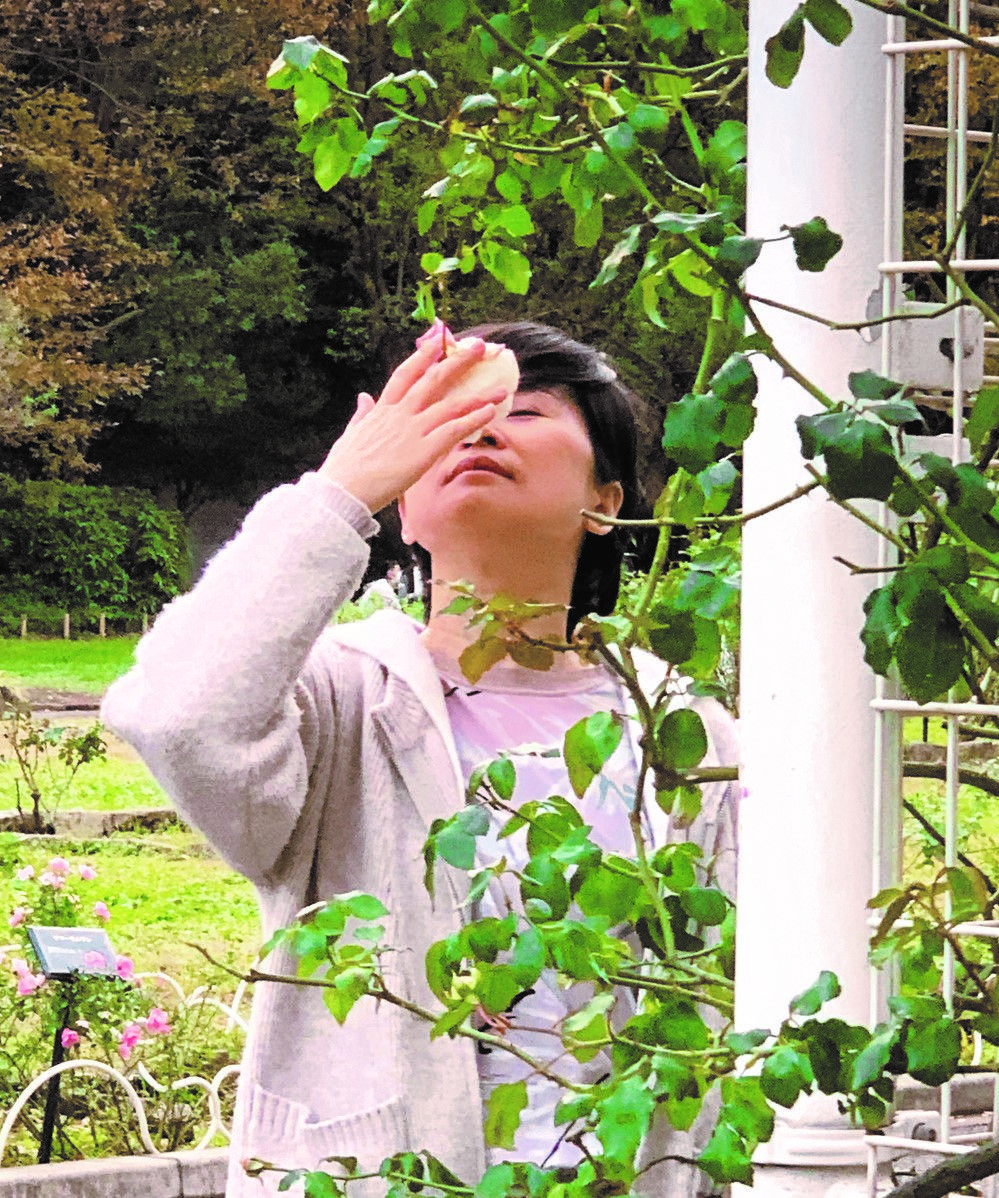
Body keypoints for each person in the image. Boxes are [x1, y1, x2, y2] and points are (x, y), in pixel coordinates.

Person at [102, 321, 739, 1197]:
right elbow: (175, 715)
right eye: (445, 420)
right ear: (401, 507)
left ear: (605, 502)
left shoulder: (678, 726)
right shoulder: (341, 702)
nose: (479, 429)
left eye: (523, 409)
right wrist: (336, 492)